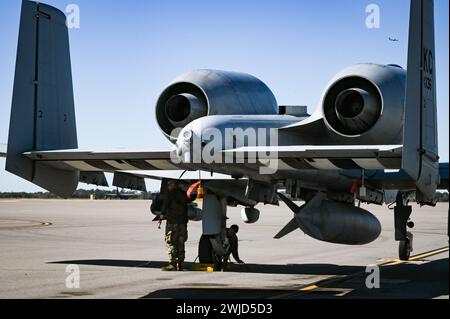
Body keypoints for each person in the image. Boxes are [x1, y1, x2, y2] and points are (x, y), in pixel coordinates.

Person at [160, 180, 189, 271]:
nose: (168, 186)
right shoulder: (183, 194)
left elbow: (165, 206)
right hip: (182, 223)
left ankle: (172, 264)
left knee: (171, 242)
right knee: (181, 242)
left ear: (174, 185)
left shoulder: (170, 194)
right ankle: (180, 264)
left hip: (172, 222)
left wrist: (161, 215)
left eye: (169, 184)